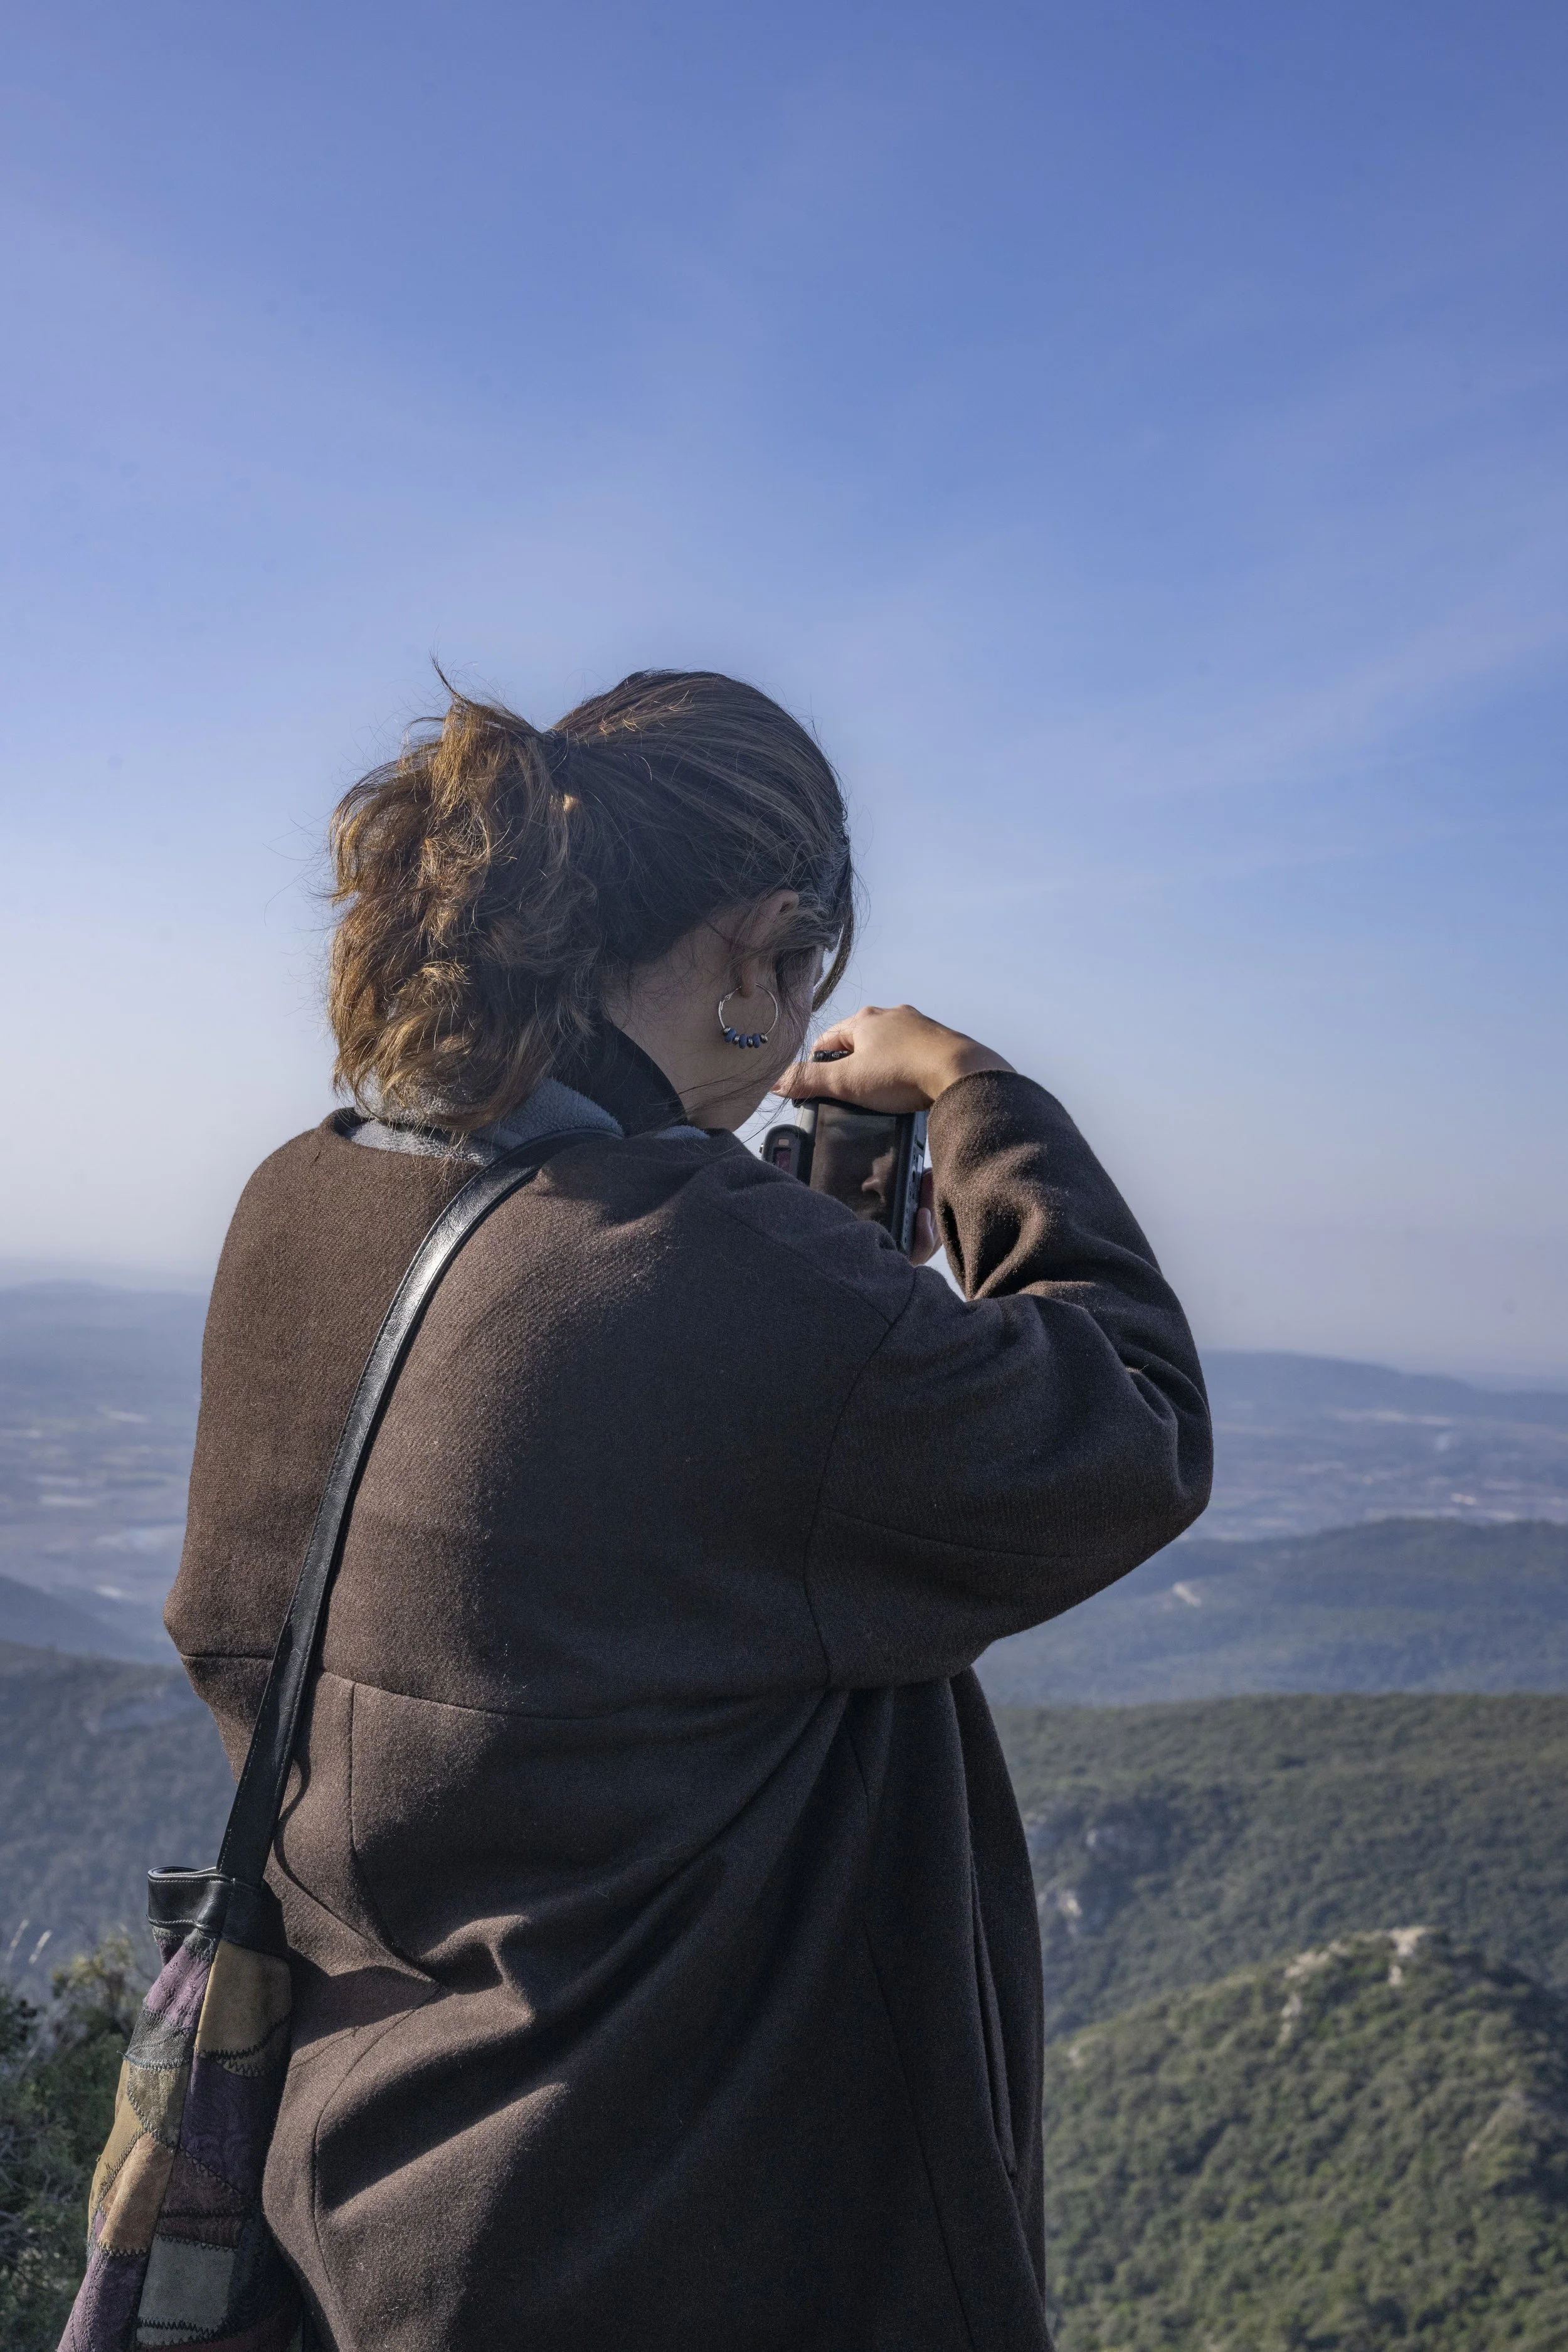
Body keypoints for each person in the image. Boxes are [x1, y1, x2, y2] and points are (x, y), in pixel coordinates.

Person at [167, 668, 1212, 2352]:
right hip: (679, 2232)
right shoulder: (700, 1271)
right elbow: (1133, 1430)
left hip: (362, 2196)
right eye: (807, 976)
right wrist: (971, 1091)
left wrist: (821, 1266)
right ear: (763, 946)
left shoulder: (301, 1196)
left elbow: (634, 1515)